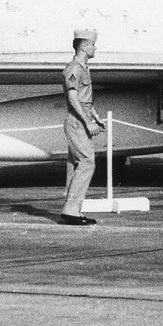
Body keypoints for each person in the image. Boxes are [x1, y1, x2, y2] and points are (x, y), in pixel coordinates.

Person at [60, 28, 105, 226]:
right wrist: (87, 122)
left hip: (82, 119)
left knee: (76, 165)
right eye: (93, 45)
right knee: (87, 162)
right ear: (85, 47)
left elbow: (86, 100)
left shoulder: (83, 68)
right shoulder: (74, 68)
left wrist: (95, 117)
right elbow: (73, 97)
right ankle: (71, 210)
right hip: (77, 122)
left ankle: (71, 210)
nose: (95, 48)